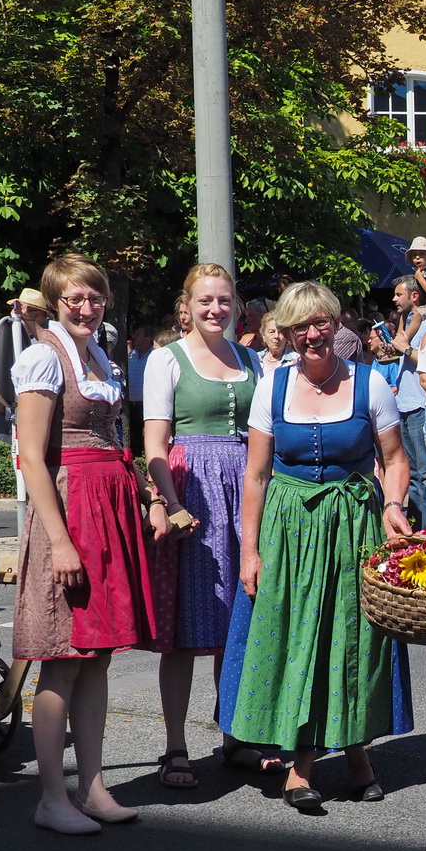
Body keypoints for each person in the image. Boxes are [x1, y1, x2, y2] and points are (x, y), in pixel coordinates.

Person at [224, 281, 412, 813]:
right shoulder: (272, 388)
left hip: (354, 524)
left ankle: (357, 757)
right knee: (300, 640)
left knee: (351, 640)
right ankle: (303, 765)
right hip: (288, 529)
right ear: (284, 334)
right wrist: (250, 551)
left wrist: (394, 504)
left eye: (321, 322)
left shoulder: (371, 385)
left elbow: (395, 458)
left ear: (336, 325)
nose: (313, 334)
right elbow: (256, 475)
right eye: (300, 326)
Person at [12, 252, 155, 835]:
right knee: (62, 661)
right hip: (68, 509)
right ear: (54, 300)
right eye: (75, 298)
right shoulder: (42, 358)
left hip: (106, 505)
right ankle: (51, 797)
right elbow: (32, 457)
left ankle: (92, 785)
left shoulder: (96, 353)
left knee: (95, 658)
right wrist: (60, 541)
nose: (87, 307)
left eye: (95, 297)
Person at [142, 264, 265, 788]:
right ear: (186, 307)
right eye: (205, 301)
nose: (216, 310)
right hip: (196, 490)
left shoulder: (251, 357)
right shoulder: (165, 360)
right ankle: (175, 747)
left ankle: (234, 737)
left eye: (224, 300)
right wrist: (169, 503)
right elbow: (155, 444)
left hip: (250, 490)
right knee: (187, 626)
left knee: (240, 620)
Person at [390, 274, 426, 528]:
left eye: (399, 294)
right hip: (404, 406)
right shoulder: (410, 319)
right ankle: (415, 531)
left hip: (421, 406)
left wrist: (406, 349)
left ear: (414, 296)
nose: (394, 298)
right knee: (412, 478)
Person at [126, 322, 153, 447]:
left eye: (138, 335)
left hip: (145, 405)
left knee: (146, 438)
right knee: (132, 438)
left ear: (147, 339)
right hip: (130, 405)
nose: (134, 337)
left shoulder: (154, 356)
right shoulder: (131, 355)